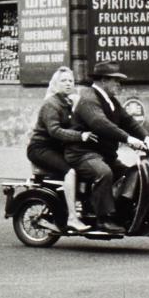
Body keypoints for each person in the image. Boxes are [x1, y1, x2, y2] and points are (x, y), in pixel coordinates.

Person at [65, 61, 149, 233]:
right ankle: (103, 219)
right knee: (103, 173)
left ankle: (120, 210)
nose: (119, 84)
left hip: (104, 154)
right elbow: (100, 124)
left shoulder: (110, 100)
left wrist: (147, 138)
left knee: (133, 172)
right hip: (83, 153)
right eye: (115, 80)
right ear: (103, 80)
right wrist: (128, 139)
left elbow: (128, 121)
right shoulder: (88, 98)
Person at [26, 66, 95, 232]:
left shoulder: (68, 103)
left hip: (57, 148)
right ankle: (72, 217)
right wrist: (81, 136)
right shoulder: (51, 104)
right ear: (55, 84)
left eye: (71, 80)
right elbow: (55, 131)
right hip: (40, 148)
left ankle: (85, 207)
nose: (68, 84)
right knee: (70, 171)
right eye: (63, 81)